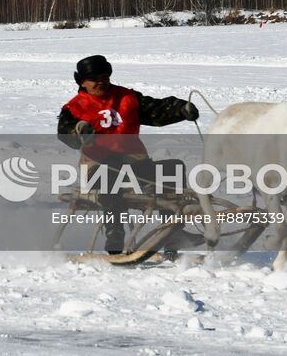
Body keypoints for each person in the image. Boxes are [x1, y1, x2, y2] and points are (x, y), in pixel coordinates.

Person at [56, 54, 199, 254]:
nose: (101, 82)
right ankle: (115, 233)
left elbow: (156, 110)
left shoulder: (127, 98)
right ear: (82, 82)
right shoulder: (74, 108)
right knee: (111, 175)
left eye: (104, 77)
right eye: (94, 79)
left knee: (172, 168)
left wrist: (180, 109)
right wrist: (79, 131)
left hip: (137, 165)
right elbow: (65, 131)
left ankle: (172, 233)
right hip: (99, 168)